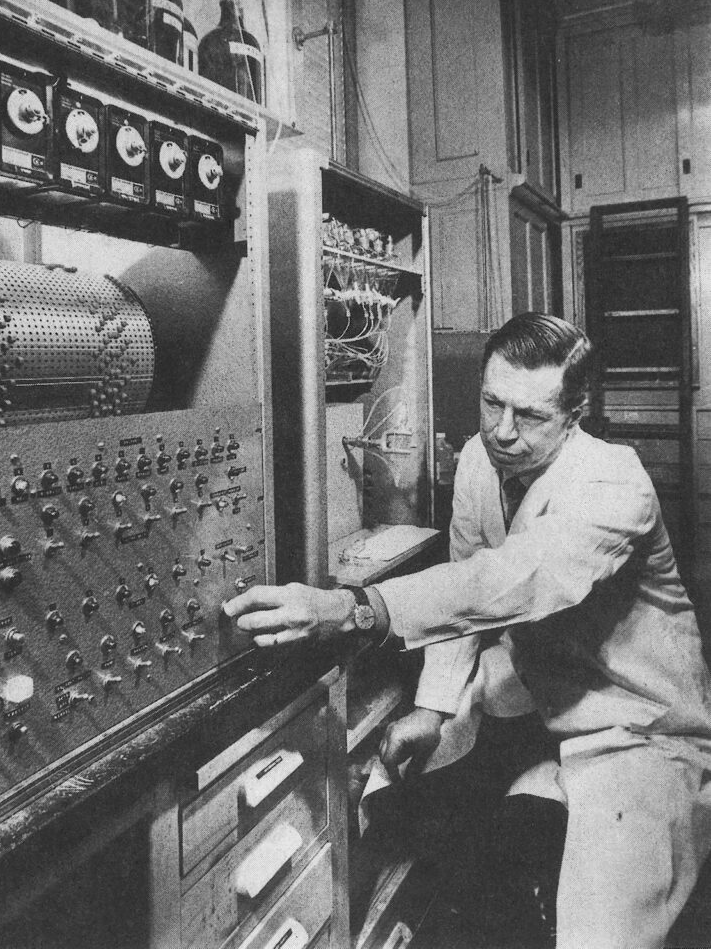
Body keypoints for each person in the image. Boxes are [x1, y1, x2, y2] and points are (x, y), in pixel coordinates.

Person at [224, 312, 711, 949]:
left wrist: (353, 607)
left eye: (531, 416)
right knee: (387, 797)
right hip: (536, 704)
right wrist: (432, 707)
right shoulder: (483, 459)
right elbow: (465, 584)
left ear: (576, 412)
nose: (503, 431)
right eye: (491, 403)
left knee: (600, 936)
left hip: (637, 730)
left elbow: (510, 581)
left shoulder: (614, 483)